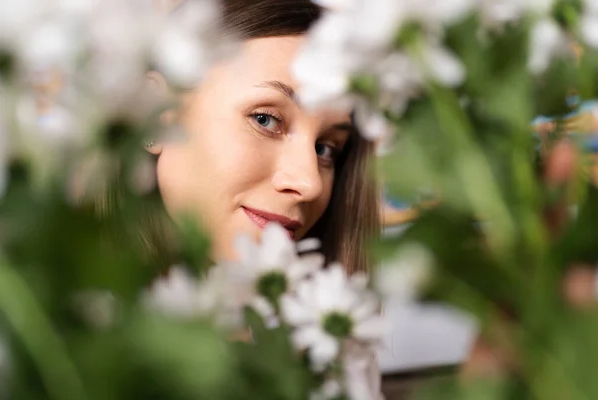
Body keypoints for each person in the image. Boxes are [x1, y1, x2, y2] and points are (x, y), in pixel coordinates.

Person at [94, 0, 383, 397]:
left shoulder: (340, 350)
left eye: (326, 148)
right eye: (266, 119)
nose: (310, 182)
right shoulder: (53, 329)